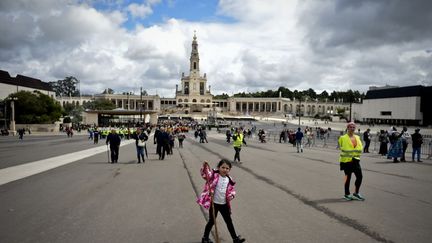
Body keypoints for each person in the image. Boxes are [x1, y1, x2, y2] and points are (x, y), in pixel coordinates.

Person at [197, 160, 246, 243]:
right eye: (223, 167)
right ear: (218, 167)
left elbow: (231, 190)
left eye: (227, 168)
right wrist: (205, 167)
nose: (225, 169)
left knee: (229, 221)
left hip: (224, 204)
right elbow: (206, 175)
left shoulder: (229, 179)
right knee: (212, 221)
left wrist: (231, 195)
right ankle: (205, 238)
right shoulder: (214, 175)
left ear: (229, 170)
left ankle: (235, 239)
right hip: (214, 204)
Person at [338, 122, 365, 201]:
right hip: (346, 161)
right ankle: (347, 194)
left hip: (355, 160)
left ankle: (356, 193)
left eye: (353, 127)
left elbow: (359, 148)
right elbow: (341, 147)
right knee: (347, 178)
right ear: (347, 128)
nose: (352, 128)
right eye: (350, 127)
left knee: (360, 177)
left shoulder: (357, 137)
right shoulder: (342, 138)